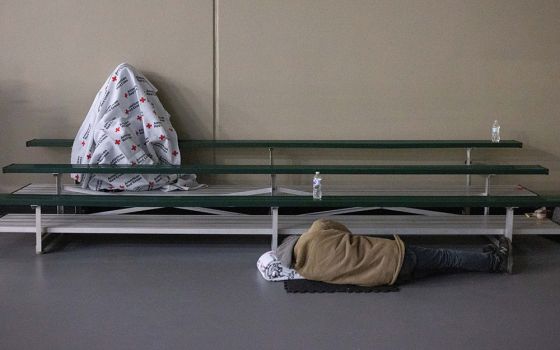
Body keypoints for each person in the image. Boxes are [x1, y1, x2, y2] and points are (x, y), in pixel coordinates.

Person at [275, 218, 511, 287]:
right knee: (445, 256)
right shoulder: (315, 233)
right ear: (295, 240)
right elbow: (336, 226)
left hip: (388, 278)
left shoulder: (306, 270)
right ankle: (495, 261)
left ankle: (483, 258)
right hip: (394, 255)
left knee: (444, 267)